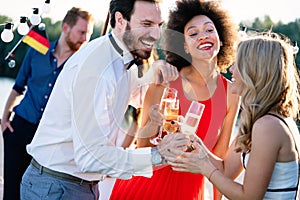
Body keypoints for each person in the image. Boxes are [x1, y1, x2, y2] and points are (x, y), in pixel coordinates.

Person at [20, 0, 181, 199]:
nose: (156, 35)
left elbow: (136, 96)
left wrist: (155, 75)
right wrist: (158, 156)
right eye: (147, 24)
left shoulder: (121, 59)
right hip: (56, 188)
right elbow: (91, 157)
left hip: (76, 186)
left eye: (159, 25)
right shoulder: (97, 70)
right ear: (120, 20)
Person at [109, 0, 241, 199]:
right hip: (145, 188)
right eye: (193, 33)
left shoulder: (232, 93)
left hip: (188, 191)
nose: (203, 36)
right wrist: (154, 122)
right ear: (184, 46)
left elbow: (220, 160)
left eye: (209, 30)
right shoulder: (166, 80)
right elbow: (142, 146)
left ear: (221, 39)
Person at [163, 33, 300, 199]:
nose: (231, 69)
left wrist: (204, 167)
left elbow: (250, 197)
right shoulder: (263, 120)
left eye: (238, 64)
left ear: (255, 71)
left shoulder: (268, 126)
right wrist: (193, 141)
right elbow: (226, 170)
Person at [1, 7, 94, 200]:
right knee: (11, 193)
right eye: (82, 32)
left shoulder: (80, 66)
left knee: (36, 192)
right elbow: (18, 86)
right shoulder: (37, 51)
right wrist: (4, 120)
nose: (85, 39)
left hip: (48, 139)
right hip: (18, 129)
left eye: (89, 34)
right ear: (66, 27)